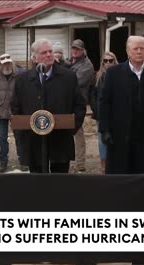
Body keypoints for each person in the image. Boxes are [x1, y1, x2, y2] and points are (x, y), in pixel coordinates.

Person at [11, 38, 86, 173]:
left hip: (60, 139)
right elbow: (16, 108)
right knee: (38, 183)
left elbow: (80, 105)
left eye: (50, 51)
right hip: (34, 141)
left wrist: (71, 129)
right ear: (34, 58)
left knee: (60, 183)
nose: (49, 55)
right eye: (44, 52)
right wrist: (22, 134)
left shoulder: (68, 77)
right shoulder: (22, 80)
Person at [99, 36, 144, 174]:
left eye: (142, 48)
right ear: (128, 51)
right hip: (119, 133)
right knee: (120, 172)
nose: (139, 52)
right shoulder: (113, 73)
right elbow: (104, 102)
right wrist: (104, 129)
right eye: (135, 48)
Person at [0, 53, 28, 173]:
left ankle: (23, 161)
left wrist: (22, 108)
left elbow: (25, 93)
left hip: (16, 113)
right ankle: (3, 162)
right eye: (4, 63)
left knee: (19, 138)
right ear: (0, 64)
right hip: (0, 112)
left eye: (9, 63)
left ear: (12, 63)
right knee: (2, 138)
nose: (7, 65)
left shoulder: (20, 75)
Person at [69, 39, 94, 173]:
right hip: (67, 102)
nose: (75, 51)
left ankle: (80, 163)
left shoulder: (87, 66)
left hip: (78, 103)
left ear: (83, 51)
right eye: (73, 48)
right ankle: (69, 160)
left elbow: (74, 82)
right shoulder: (70, 62)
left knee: (78, 132)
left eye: (78, 49)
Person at [91, 51, 118, 173]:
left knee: (116, 137)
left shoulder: (120, 75)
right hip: (101, 114)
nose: (108, 63)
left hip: (116, 114)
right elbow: (92, 94)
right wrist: (96, 109)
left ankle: (115, 162)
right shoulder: (97, 76)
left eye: (110, 60)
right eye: (105, 61)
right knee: (102, 139)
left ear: (114, 61)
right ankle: (104, 164)